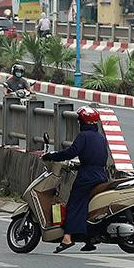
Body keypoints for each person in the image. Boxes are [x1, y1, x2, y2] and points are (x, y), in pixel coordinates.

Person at [41, 106, 109, 253]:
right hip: (101, 175)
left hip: (87, 176)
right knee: (89, 205)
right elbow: (99, 157)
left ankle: (67, 238)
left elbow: (71, 152)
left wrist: (52, 156)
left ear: (82, 122)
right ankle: (89, 239)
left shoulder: (83, 136)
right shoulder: (100, 137)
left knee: (74, 204)